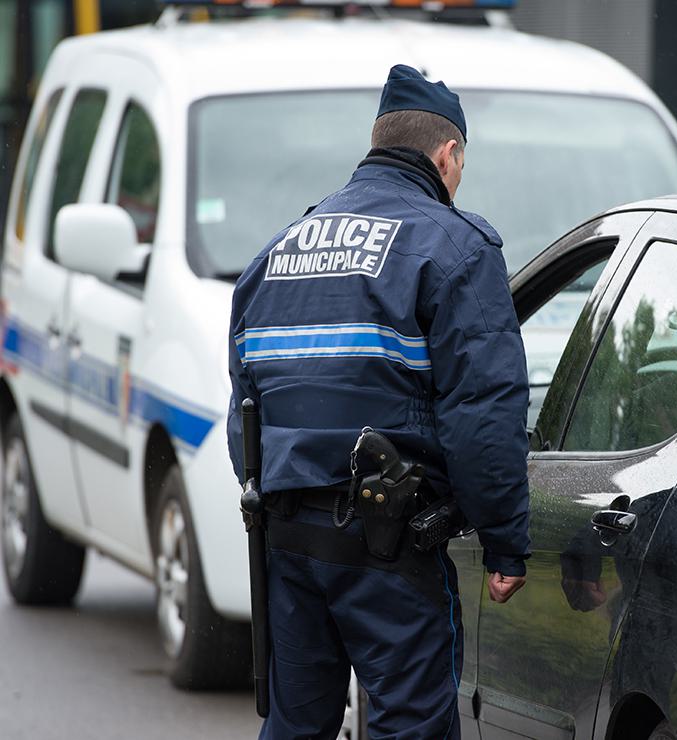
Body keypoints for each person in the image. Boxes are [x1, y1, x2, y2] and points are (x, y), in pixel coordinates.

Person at [227, 64, 531, 740]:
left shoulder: (275, 253)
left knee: (294, 726)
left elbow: (245, 415)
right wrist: (506, 541)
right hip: (388, 546)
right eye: (461, 165)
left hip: (288, 542)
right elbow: (483, 410)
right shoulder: (453, 244)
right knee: (411, 726)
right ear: (447, 155)